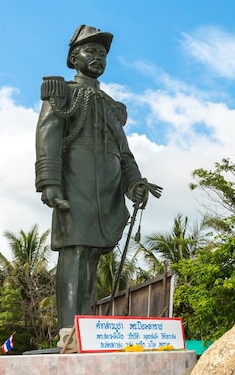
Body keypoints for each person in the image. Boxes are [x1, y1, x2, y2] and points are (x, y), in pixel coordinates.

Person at [35, 25, 158, 349]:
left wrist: (134, 183)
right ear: (73, 57)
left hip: (106, 187)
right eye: (90, 52)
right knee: (74, 252)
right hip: (75, 182)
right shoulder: (63, 92)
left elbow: (123, 150)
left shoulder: (111, 105)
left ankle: (84, 328)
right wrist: (50, 182)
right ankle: (68, 333)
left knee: (91, 256)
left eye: (102, 54)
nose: (98, 58)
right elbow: (48, 134)